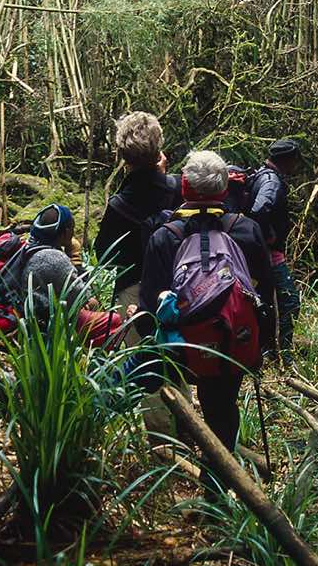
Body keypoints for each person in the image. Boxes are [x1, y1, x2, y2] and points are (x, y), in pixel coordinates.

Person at [138, 150, 275, 458]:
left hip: (181, 354)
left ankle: (184, 458)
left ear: (184, 187)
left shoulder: (163, 236)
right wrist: (263, 346)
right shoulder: (246, 230)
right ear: (224, 189)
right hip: (231, 344)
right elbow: (266, 294)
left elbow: (149, 308)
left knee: (187, 401)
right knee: (223, 408)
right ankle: (218, 486)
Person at [95, 111, 181, 344]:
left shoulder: (118, 205)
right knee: (174, 363)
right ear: (159, 149)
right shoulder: (179, 189)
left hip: (133, 290)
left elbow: (104, 255)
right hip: (177, 288)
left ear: (122, 154)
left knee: (137, 366)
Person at [10, 204, 121, 347]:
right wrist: (75, 255)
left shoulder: (28, 246)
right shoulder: (53, 258)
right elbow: (85, 297)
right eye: (72, 228)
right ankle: (89, 359)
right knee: (114, 321)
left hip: (28, 314)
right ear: (66, 231)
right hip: (45, 324)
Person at [246, 138, 302, 363]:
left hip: (260, 255)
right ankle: (286, 354)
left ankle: (267, 352)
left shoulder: (261, 175)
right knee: (289, 300)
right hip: (268, 256)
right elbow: (259, 210)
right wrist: (268, 236)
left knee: (265, 302)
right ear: (287, 160)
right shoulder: (272, 182)